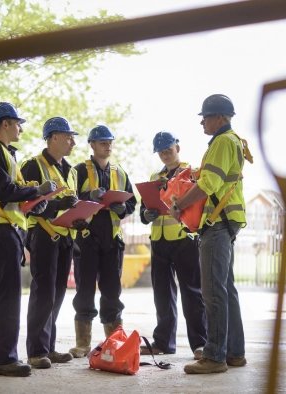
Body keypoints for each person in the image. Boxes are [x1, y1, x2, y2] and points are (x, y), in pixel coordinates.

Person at [0, 102, 56, 377]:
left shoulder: (4, 153)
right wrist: (36, 191)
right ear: (5, 124)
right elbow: (4, 189)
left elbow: (9, 192)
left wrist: (35, 200)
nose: (21, 127)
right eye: (18, 122)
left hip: (4, 227)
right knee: (8, 294)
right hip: (2, 229)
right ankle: (4, 359)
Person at [170, 94, 252, 374]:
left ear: (219, 117)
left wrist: (179, 203)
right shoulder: (233, 141)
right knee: (226, 290)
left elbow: (208, 184)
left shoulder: (221, 142)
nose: (202, 122)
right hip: (227, 221)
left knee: (213, 291)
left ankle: (215, 356)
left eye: (205, 117)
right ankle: (235, 353)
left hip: (217, 224)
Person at [68, 125, 137, 358]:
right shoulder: (77, 171)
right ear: (92, 145)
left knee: (112, 293)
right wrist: (89, 197)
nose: (107, 146)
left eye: (110, 142)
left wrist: (122, 208)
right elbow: (69, 200)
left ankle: (115, 343)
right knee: (85, 291)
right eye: (102, 142)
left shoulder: (120, 173)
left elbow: (132, 203)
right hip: (87, 240)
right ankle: (83, 344)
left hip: (112, 242)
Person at [138, 131, 207, 360]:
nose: (165, 154)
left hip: (184, 240)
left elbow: (197, 203)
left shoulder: (193, 173)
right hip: (159, 242)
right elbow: (143, 212)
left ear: (178, 147)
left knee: (192, 294)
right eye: (161, 151)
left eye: (168, 149)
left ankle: (200, 343)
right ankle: (163, 342)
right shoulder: (153, 178)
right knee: (162, 296)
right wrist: (146, 214)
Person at [20, 116, 80, 369]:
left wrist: (79, 218)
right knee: (43, 293)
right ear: (54, 137)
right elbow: (26, 205)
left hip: (66, 237)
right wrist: (57, 205)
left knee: (56, 294)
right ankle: (36, 352)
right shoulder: (32, 166)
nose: (73, 142)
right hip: (43, 236)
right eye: (69, 137)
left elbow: (71, 203)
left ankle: (49, 347)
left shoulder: (70, 170)